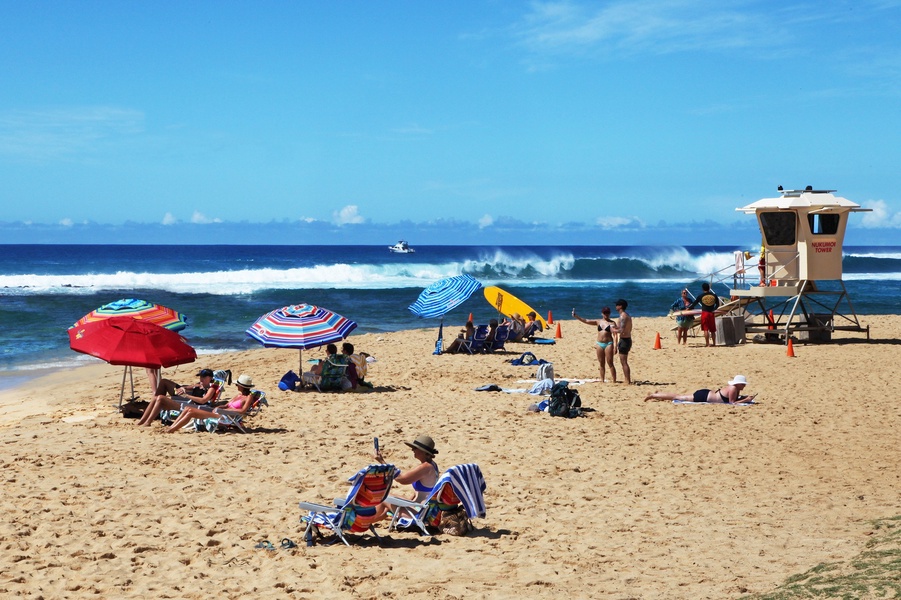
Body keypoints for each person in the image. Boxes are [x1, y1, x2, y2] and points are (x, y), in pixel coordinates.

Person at [371, 435, 440, 522]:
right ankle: (371, 520)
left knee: (383, 497)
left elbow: (402, 479)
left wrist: (382, 461)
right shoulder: (433, 465)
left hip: (419, 513)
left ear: (423, 451)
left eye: (415, 448)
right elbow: (420, 493)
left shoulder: (426, 467)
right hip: (421, 508)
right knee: (388, 501)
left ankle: (365, 522)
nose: (412, 450)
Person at [163, 374, 258, 433]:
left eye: (237, 384)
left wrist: (225, 410)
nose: (236, 386)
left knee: (191, 411)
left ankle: (171, 430)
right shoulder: (238, 395)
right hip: (221, 412)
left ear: (242, 386)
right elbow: (226, 405)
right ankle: (172, 426)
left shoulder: (248, 397)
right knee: (188, 408)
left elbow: (243, 411)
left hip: (226, 418)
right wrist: (220, 407)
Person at [137, 369, 220, 426]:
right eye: (200, 377)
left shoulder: (211, 388)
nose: (201, 379)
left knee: (161, 398)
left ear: (209, 378)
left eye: (203, 377)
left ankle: (148, 422)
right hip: (188, 405)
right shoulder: (199, 385)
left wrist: (187, 396)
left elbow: (203, 400)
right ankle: (142, 421)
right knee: (156, 398)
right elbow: (187, 387)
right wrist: (183, 389)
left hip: (194, 408)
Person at [572, 306, 618, 383]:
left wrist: (616, 346)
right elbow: (586, 321)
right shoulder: (598, 322)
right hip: (599, 344)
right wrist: (576, 316)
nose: (606, 314)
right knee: (601, 363)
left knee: (610, 362)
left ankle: (614, 380)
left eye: (607, 313)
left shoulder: (612, 323)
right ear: (602, 313)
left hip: (608, 344)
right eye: (605, 313)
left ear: (610, 313)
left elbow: (615, 335)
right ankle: (602, 380)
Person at [644, 375, 757, 404]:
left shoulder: (734, 389)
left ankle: (658, 395)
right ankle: (655, 395)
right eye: (743, 384)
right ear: (738, 384)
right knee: (677, 397)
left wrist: (745, 397)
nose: (744, 386)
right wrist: (745, 400)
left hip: (707, 394)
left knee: (679, 395)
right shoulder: (733, 389)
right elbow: (733, 403)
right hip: (703, 396)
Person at [689, 282, 721, 347]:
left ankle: (707, 343)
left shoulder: (701, 296)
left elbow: (694, 304)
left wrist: (689, 308)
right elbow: (717, 304)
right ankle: (714, 343)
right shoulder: (714, 295)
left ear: (703, 289)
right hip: (711, 313)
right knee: (712, 330)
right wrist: (713, 309)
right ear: (709, 288)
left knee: (706, 329)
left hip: (705, 313)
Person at [614, 299, 633, 385]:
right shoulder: (627, 315)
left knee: (624, 361)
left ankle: (627, 380)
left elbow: (621, 330)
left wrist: (611, 330)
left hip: (625, 340)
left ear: (620, 306)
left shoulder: (623, 316)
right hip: (626, 339)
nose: (616, 306)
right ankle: (627, 379)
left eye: (617, 305)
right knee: (623, 361)